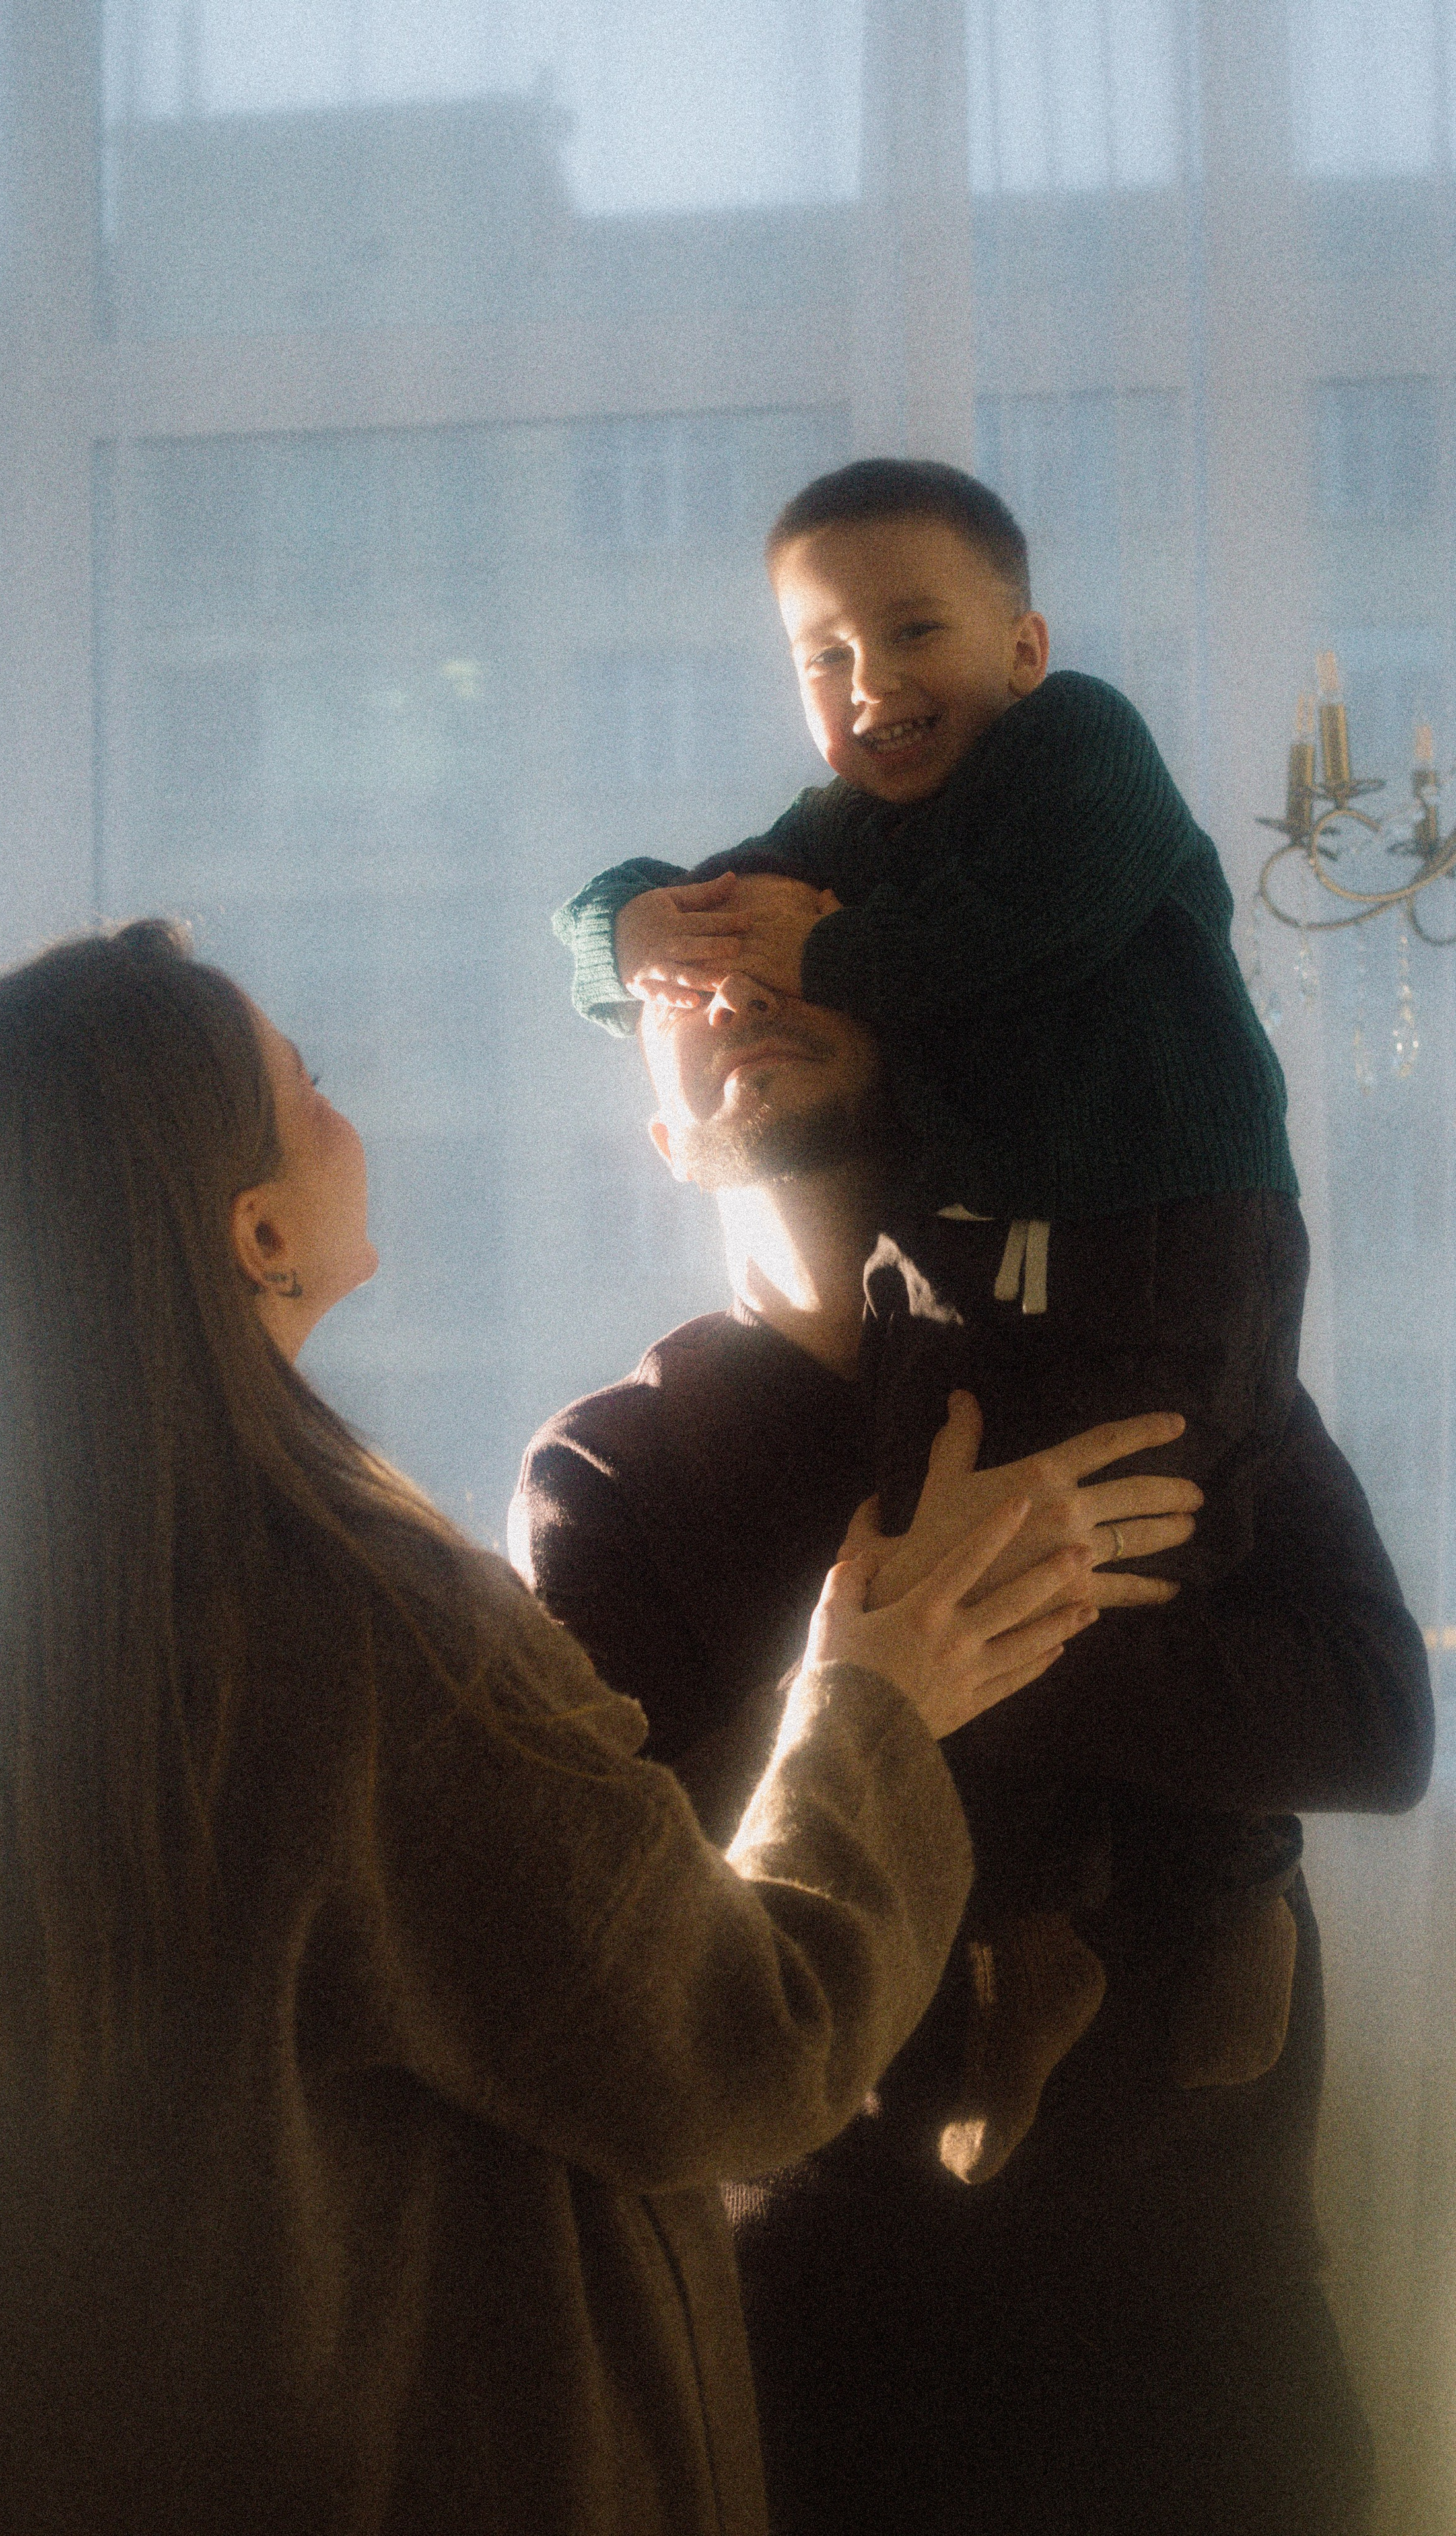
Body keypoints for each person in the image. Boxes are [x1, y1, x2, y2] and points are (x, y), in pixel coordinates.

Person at [0, 919, 1114, 2536]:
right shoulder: (366, 1635)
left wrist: (815, 1707)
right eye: (311, 1089)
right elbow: (742, 2044)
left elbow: (483, 1916)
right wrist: (876, 1715)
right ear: (259, 1233)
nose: (350, 1115)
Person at [512, 966, 1434, 2536]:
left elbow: (1377, 1726)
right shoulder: (607, 1464)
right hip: (837, 2373)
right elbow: (628, 1927)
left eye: (797, 954)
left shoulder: (1161, 1354)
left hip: (1217, 2355)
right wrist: (878, 1674)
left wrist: (975, 1636)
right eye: (682, 982)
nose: (735, 989)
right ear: (661, 1133)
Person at [552, 457, 1316, 2183]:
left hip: (1181, 1233)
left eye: (912, 633)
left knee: (1166, 1532)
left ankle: (1231, 1888)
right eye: (822, 658)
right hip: (999, 1271)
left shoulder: (1079, 752)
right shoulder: (844, 841)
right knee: (940, 1549)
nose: (871, 685)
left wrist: (816, 956)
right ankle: (1026, 1930)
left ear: (1024, 649)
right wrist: (625, 931)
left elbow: (1016, 930)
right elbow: (707, 907)